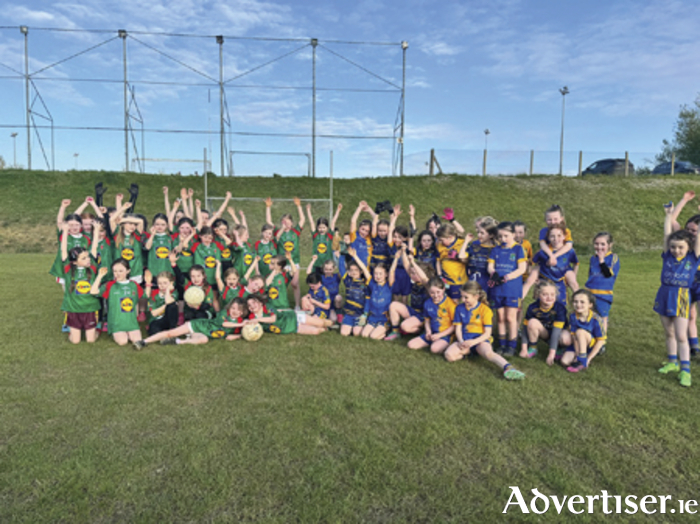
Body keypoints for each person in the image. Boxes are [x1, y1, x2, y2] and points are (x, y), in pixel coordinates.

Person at [655, 202, 700, 387]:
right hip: (664, 294)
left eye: (680, 247)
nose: (676, 250)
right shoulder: (668, 256)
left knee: (682, 336)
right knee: (669, 333)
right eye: (673, 247)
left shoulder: (693, 257)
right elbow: (667, 235)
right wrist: (668, 215)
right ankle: (672, 362)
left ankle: (685, 370)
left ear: (688, 248)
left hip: (681, 296)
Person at [444, 282, 526, 380]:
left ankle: (508, 367)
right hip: (465, 339)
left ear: (476, 296)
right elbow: (458, 329)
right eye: (462, 297)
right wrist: (461, 341)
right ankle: (469, 353)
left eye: (466, 297)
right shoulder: (459, 308)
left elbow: (487, 333)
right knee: (449, 356)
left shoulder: (485, 310)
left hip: (480, 340)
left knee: (488, 353)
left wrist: (473, 342)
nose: (463, 300)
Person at [134, 297, 251, 348]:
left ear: (242, 312)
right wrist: (241, 325)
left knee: (203, 340)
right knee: (171, 332)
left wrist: (242, 334)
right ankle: (143, 342)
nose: (235, 311)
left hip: (204, 334)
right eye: (233, 308)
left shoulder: (238, 323)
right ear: (229, 307)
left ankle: (177, 342)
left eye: (238, 310)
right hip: (197, 325)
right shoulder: (224, 313)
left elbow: (228, 336)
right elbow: (224, 324)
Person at [487, 221, 526, 356]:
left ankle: (512, 345)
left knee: (511, 317)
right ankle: (502, 344)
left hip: (512, 289)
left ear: (514, 235)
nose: (503, 239)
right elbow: (490, 266)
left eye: (506, 236)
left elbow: (522, 269)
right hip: (497, 289)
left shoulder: (518, 249)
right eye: (500, 236)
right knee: (500, 317)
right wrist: (494, 273)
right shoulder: (495, 250)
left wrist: (507, 277)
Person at [59, 222, 101, 344]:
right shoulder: (68, 270)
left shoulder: (92, 269)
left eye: (87, 257)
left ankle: (95, 331)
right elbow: (63, 249)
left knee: (90, 340)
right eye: (83, 258)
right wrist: (65, 232)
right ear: (74, 262)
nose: (88, 259)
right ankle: (73, 330)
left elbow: (94, 247)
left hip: (90, 308)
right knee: (75, 341)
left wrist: (97, 230)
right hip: (74, 309)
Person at [91, 258, 144, 346]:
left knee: (137, 341)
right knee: (123, 342)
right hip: (116, 323)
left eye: (120, 271)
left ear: (128, 271)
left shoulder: (134, 284)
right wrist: (99, 276)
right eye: (115, 271)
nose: (117, 274)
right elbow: (93, 292)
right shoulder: (110, 285)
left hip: (132, 323)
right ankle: (115, 331)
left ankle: (130, 331)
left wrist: (149, 283)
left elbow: (144, 295)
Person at [524, 224, 580, 304]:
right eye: (552, 236)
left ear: (564, 236)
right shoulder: (543, 252)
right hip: (545, 281)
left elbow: (576, 263)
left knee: (560, 305)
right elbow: (531, 262)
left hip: (560, 281)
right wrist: (532, 274)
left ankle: (581, 304)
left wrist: (573, 275)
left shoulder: (570, 251)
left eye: (559, 235)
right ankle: (517, 303)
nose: (556, 239)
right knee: (543, 303)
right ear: (548, 238)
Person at [520, 280, 572, 364]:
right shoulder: (532, 307)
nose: (549, 297)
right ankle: (533, 348)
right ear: (538, 295)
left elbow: (556, 332)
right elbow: (525, 329)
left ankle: (559, 348)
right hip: (545, 333)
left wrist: (551, 355)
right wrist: (524, 349)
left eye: (552, 294)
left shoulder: (560, 308)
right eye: (545, 294)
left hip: (558, 333)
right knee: (532, 322)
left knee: (566, 339)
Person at [384, 252, 434, 340]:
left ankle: (421, 329)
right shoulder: (413, 282)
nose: (413, 275)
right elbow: (407, 266)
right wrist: (403, 252)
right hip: (412, 311)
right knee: (393, 305)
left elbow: (423, 277)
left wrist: (413, 262)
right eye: (412, 273)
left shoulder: (428, 285)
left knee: (405, 326)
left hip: (423, 316)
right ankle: (395, 332)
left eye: (415, 273)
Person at [267, 197, 305, 309]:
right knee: (280, 284)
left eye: (288, 222)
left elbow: (302, 219)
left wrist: (299, 206)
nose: (286, 224)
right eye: (284, 222)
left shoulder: (295, 231)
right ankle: (280, 303)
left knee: (294, 284)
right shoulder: (279, 232)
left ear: (292, 223)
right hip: (282, 263)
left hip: (294, 261)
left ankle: (297, 305)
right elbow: (269, 222)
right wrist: (268, 207)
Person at [407, 277, 456, 355]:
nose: (435, 295)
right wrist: (428, 332)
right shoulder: (427, 303)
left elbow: (454, 326)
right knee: (411, 345)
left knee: (434, 349)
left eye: (438, 292)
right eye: (432, 293)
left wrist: (439, 335)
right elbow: (427, 320)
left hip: (445, 334)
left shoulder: (450, 304)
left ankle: (446, 344)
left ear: (443, 289)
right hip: (433, 333)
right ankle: (433, 341)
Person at [562, 289, 607, 373]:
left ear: (590, 304)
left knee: (580, 331)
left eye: (582, 302)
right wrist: (577, 353)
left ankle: (583, 360)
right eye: (575, 302)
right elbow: (574, 336)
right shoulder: (573, 315)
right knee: (564, 362)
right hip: (578, 343)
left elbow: (601, 340)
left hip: (591, 345)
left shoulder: (596, 318)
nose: (578, 305)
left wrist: (588, 359)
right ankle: (580, 356)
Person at [246, 293, 333, 335]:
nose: (252, 306)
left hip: (293, 317)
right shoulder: (252, 317)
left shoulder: (267, 307)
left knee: (321, 323)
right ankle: (323, 328)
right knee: (315, 331)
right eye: (249, 305)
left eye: (254, 302)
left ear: (260, 303)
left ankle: (329, 323)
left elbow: (273, 319)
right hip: (290, 328)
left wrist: (257, 320)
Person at [585, 232, 620, 334]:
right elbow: (590, 274)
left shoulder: (613, 257)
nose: (599, 247)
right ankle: (590, 338)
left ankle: (601, 340)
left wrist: (601, 260)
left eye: (602, 244)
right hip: (590, 292)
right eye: (596, 244)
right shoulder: (593, 258)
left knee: (602, 317)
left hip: (603, 294)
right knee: (589, 315)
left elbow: (608, 274)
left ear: (610, 245)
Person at [339, 247, 371, 337]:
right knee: (344, 333)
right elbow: (341, 268)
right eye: (351, 270)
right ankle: (347, 322)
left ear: (361, 271)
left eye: (356, 270)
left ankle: (360, 326)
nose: (353, 272)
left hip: (359, 315)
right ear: (348, 272)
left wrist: (365, 314)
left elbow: (368, 300)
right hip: (349, 314)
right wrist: (342, 255)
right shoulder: (348, 281)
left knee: (357, 333)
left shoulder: (365, 283)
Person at [436, 223, 470, 301]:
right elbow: (438, 261)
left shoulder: (461, 243)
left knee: (455, 302)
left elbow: (467, 261)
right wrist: (439, 275)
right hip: (445, 280)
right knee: (445, 301)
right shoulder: (440, 246)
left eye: (442, 240)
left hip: (457, 281)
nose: (440, 242)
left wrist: (457, 257)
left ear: (450, 237)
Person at [307, 203, 342, 272]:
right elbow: (311, 222)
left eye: (323, 227)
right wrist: (308, 210)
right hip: (316, 263)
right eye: (320, 227)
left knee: (326, 280)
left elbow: (333, 222)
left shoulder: (329, 235)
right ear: (317, 227)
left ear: (327, 228)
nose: (322, 229)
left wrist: (338, 210)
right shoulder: (315, 235)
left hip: (327, 264)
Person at [144, 268, 179, 336]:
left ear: (171, 283)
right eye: (160, 283)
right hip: (156, 320)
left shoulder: (174, 292)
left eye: (165, 283)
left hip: (168, 320)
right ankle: (166, 333)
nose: (162, 286)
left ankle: (172, 330)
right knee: (154, 330)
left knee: (172, 306)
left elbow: (169, 301)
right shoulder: (154, 294)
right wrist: (166, 305)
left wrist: (168, 290)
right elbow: (154, 313)